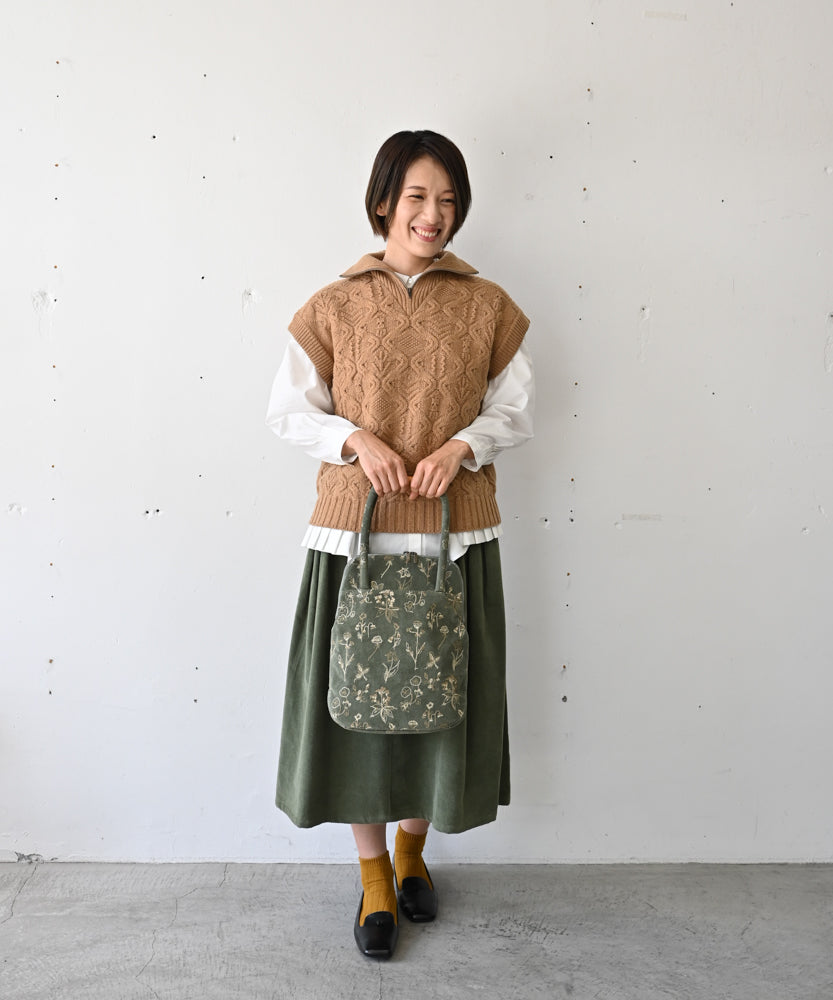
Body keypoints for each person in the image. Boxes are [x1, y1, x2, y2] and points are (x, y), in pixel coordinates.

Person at [266, 130, 534, 959]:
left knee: (440, 703)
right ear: (383, 201)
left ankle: (414, 854)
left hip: (456, 531)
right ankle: (373, 876)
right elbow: (288, 411)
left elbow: (514, 409)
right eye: (417, 196)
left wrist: (463, 446)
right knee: (358, 708)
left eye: (448, 200)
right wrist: (354, 440)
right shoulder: (332, 306)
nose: (432, 214)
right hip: (353, 536)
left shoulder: (488, 306)